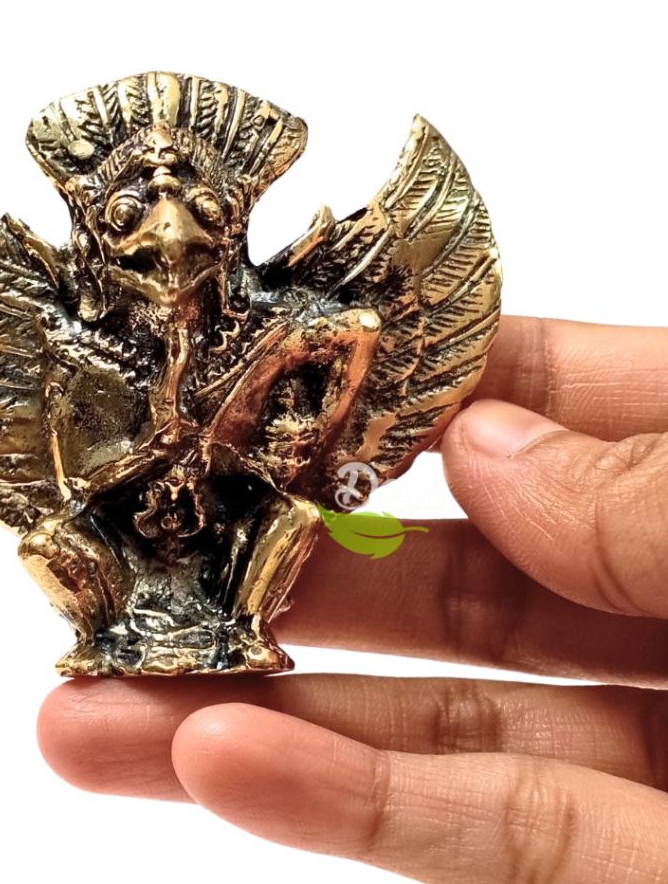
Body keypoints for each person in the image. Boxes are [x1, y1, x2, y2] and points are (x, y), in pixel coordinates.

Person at [36, 316, 668, 883]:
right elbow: (77, 483)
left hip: (225, 534)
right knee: (46, 541)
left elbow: (359, 329)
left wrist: (268, 368)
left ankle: (240, 630)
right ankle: (109, 633)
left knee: (295, 518)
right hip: (131, 548)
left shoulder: (249, 393)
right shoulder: (94, 380)